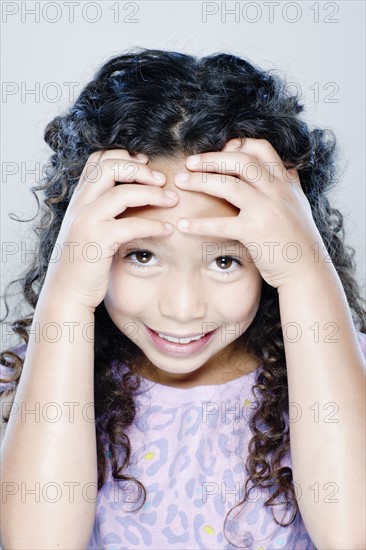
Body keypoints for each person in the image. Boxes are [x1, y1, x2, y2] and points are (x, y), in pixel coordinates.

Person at [0, 47, 365, 550]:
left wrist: (305, 270)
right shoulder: (40, 375)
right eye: (142, 256)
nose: (182, 308)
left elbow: (355, 534)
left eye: (225, 261)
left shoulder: (342, 369)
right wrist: (64, 300)